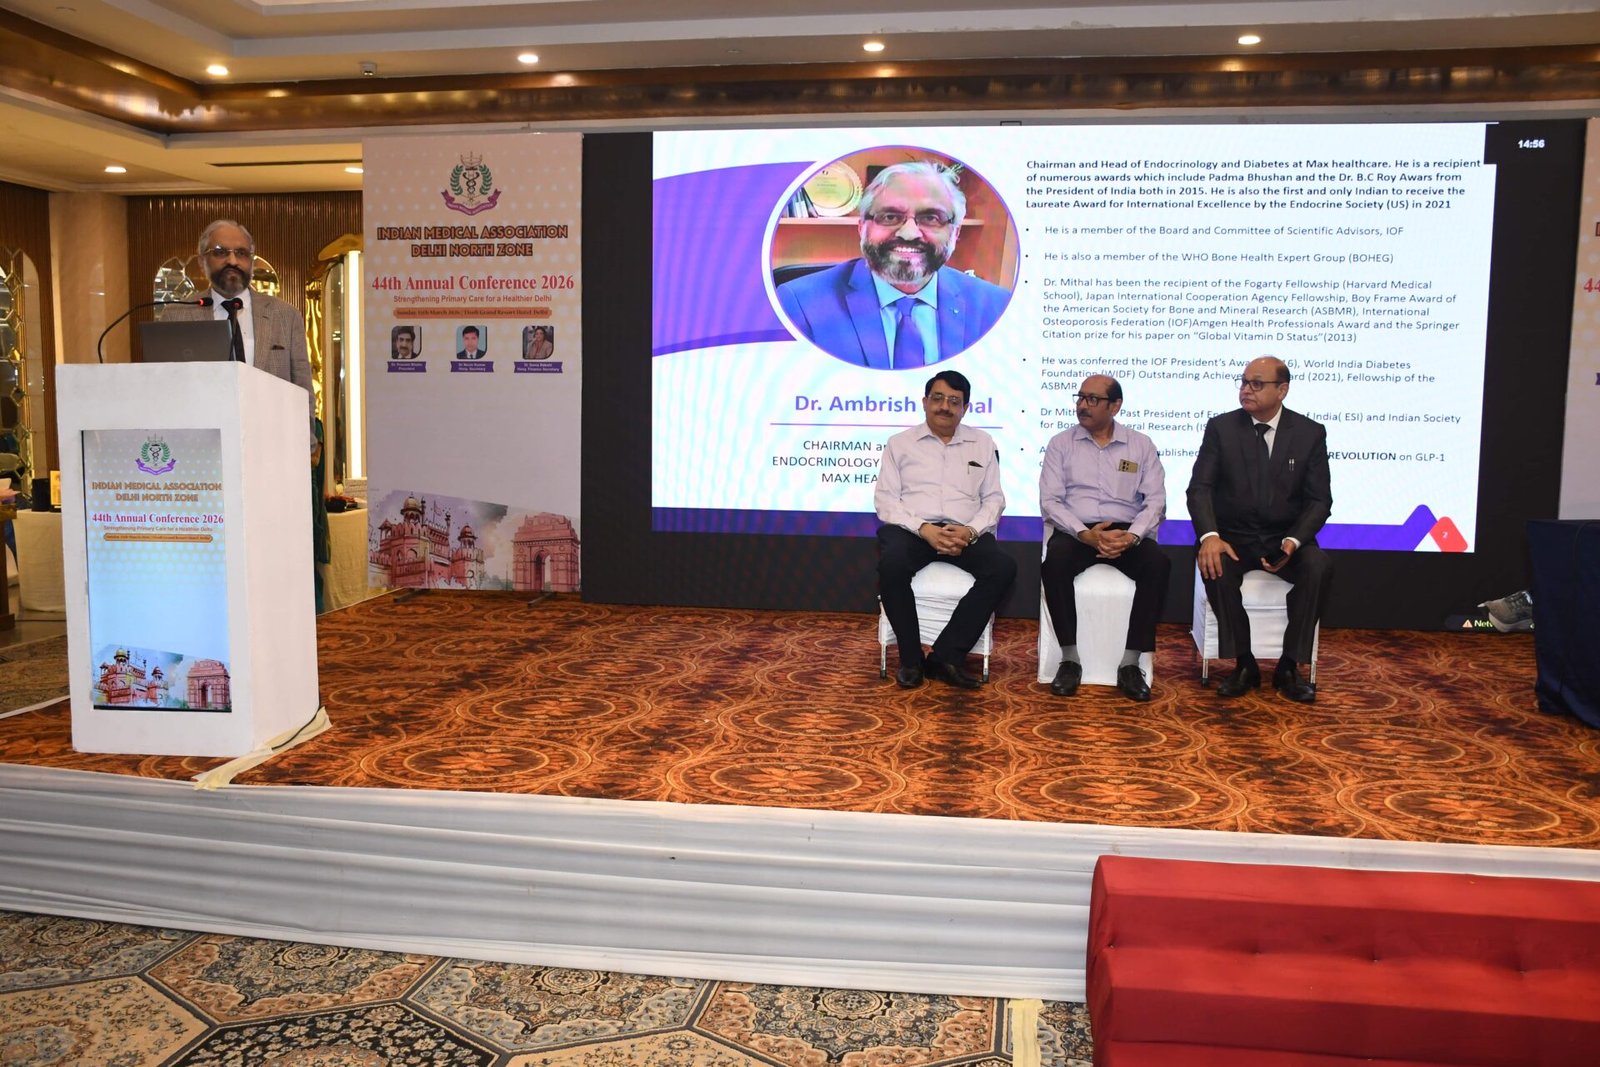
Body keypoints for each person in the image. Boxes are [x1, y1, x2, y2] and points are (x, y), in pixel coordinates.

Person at [1187, 356, 1333, 702]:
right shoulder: (1221, 428)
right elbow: (1200, 489)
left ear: (1282, 390)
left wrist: (1293, 542)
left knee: (1318, 566)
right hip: (1233, 537)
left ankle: (1289, 665)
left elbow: (1319, 500)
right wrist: (1210, 536)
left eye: (1256, 384)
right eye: (1243, 382)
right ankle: (1244, 663)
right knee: (1215, 566)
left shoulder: (1309, 433)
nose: (1246, 390)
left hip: (1285, 537)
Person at [776, 161, 1011, 369]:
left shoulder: (997, 306)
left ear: (955, 233)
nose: (909, 233)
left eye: (931, 218)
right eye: (890, 217)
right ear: (862, 228)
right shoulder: (799, 305)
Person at [875, 370, 1016, 688]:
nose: (944, 407)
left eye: (954, 401)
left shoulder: (983, 443)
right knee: (892, 565)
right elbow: (886, 501)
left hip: (964, 532)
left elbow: (994, 499)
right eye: (937, 398)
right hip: (913, 530)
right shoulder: (900, 444)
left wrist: (971, 531)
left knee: (1003, 567)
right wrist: (924, 529)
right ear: (925, 402)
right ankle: (911, 660)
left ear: (965, 408)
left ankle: (946, 657)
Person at [1039, 374, 1169, 702]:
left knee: (1158, 564)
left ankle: (1130, 663)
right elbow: (1050, 501)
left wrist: (1132, 536)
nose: (1083, 405)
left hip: (1126, 531)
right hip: (1077, 530)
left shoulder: (1141, 445)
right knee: (1054, 563)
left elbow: (1156, 501)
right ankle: (1069, 659)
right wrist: (1085, 534)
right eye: (1081, 397)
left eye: (1093, 399)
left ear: (1115, 406)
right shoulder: (1060, 444)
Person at [162, 219, 312, 392]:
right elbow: (165, 386)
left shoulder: (286, 316)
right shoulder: (176, 315)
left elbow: (303, 391)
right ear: (202, 262)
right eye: (220, 252)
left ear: (252, 262)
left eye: (241, 253)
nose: (232, 261)